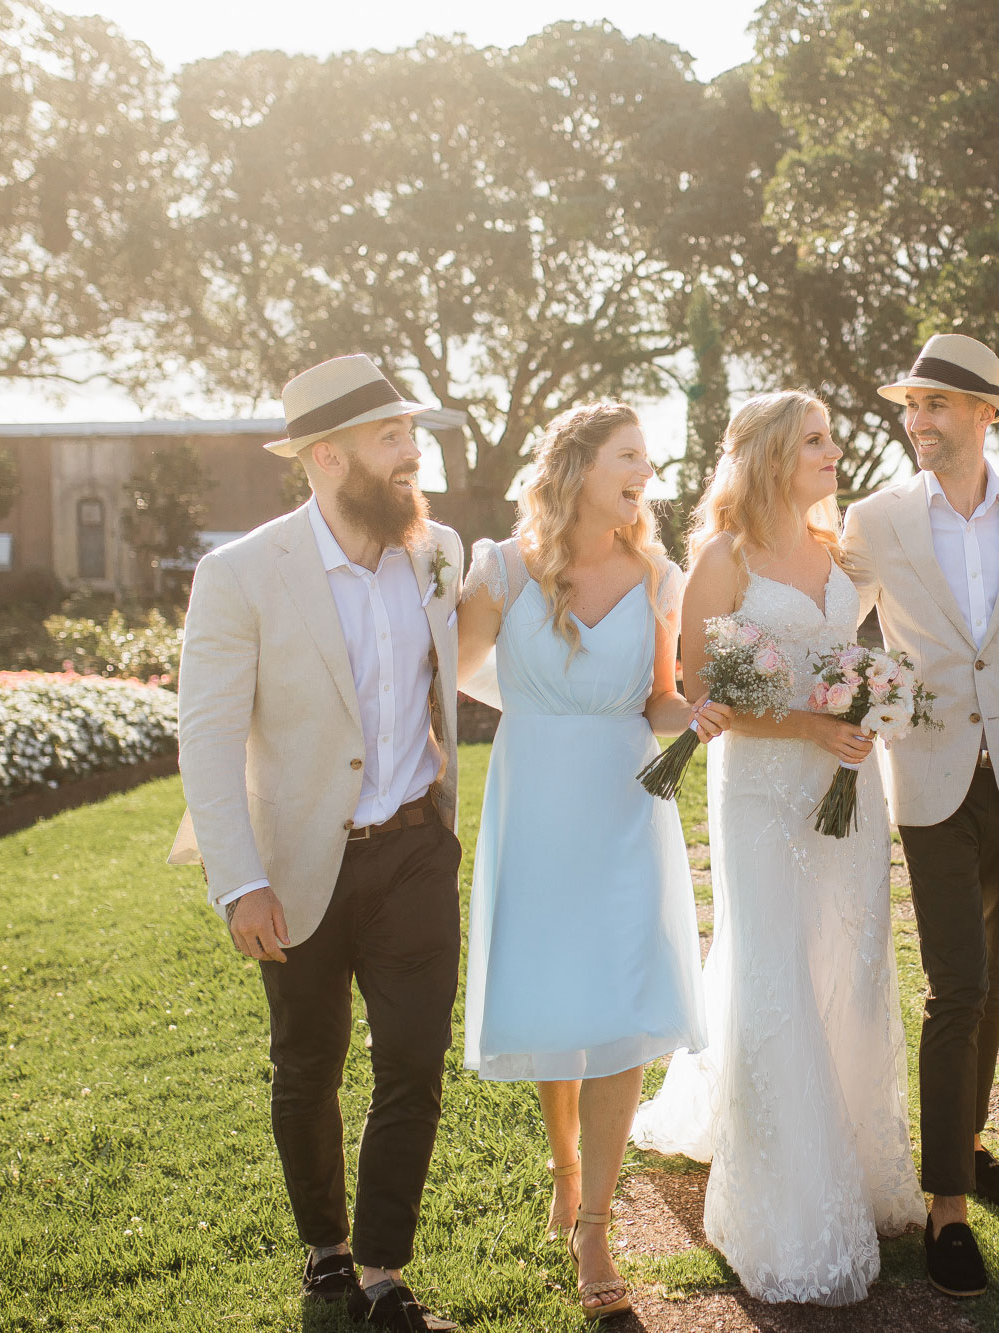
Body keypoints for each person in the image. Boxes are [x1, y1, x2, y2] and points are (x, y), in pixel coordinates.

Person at [168, 353, 464, 1332]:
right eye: (391, 438)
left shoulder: (437, 552)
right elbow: (206, 739)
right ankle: (325, 1254)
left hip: (417, 848)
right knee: (308, 1063)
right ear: (327, 456)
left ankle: (382, 1271)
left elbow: (501, 639)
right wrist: (237, 881)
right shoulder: (241, 574)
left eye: (409, 434)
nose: (411, 452)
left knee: (413, 1066)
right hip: (294, 864)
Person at [632, 390, 918, 1306]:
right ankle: (789, 1202)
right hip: (761, 791)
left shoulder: (838, 552)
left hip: (847, 789)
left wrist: (867, 713)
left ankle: (859, 1164)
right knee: (775, 971)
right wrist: (809, 723)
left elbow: (857, 662)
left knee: (850, 953)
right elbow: (701, 689)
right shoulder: (722, 557)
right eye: (816, 442)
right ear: (766, 457)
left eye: (832, 439)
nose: (835, 454)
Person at [452, 402, 719, 1320]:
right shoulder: (502, 569)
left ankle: (597, 1221)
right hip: (533, 798)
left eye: (648, 457)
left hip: (622, 799)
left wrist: (710, 710)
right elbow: (447, 669)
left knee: (619, 999)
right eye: (629, 455)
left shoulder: (657, 575)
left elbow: (659, 700)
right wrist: (534, 701)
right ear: (577, 465)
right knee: (557, 989)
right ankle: (564, 1164)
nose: (647, 469)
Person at [837, 334, 999, 1299]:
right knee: (956, 986)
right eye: (911, 405)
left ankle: (969, 1142)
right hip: (928, 774)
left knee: (996, 971)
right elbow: (830, 617)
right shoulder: (876, 517)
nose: (917, 420)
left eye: (937, 405)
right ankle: (947, 1207)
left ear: (987, 414)